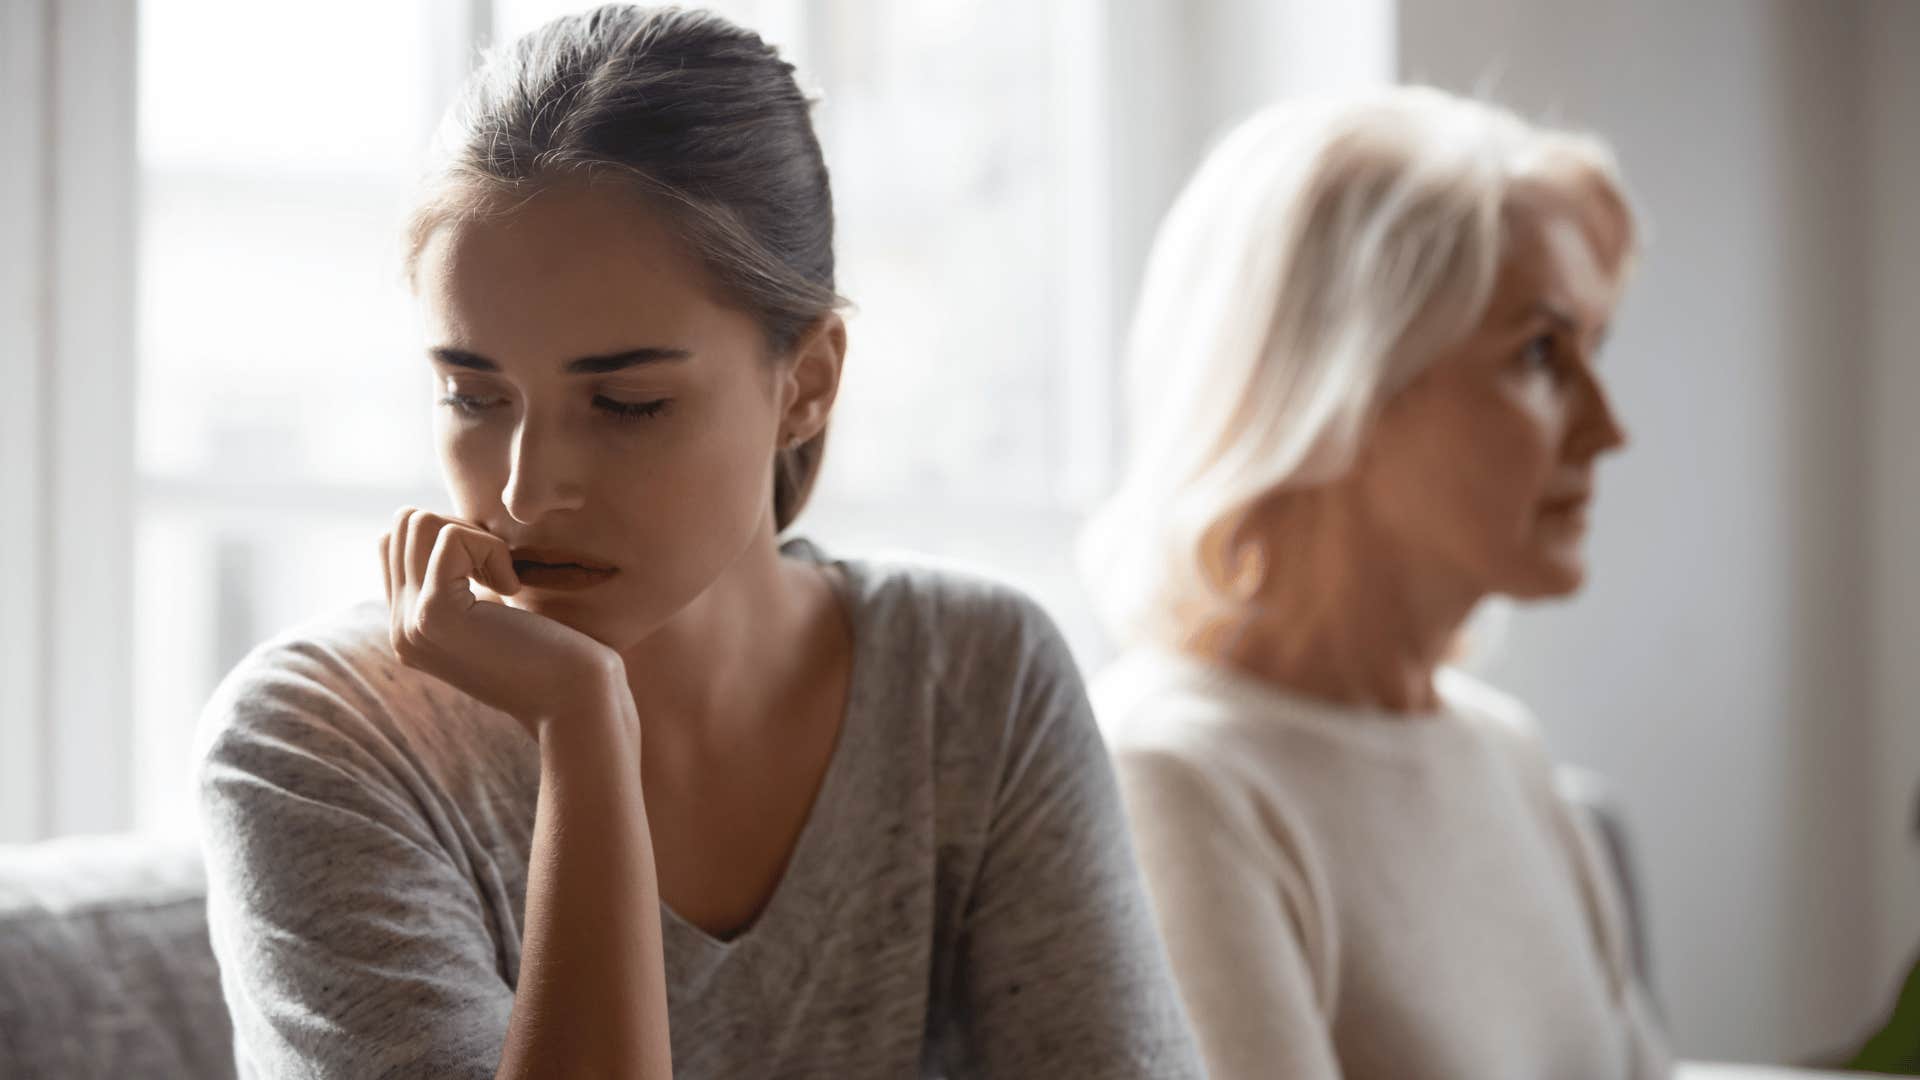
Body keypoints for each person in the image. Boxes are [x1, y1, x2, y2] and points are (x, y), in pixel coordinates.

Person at [193, 7, 1200, 1077]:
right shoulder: (313, 747)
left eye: (626, 403)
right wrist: (586, 728)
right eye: (471, 395)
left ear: (806, 382)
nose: (527, 493)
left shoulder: (972, 682)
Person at [1082, 86, 1673, 1079]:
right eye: (1540, 353)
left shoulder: (1504, 753)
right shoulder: (1172, 779)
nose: (1610, 429)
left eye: (1593, 349)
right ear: (1335, 392)